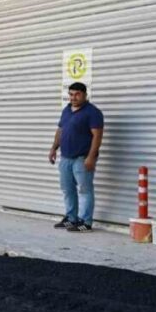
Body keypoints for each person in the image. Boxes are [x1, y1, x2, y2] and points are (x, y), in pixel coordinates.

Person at [48, 82, 104, 232]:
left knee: (85, 190)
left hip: (82, 158)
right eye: (71, 94)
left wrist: (91, 157)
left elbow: (97, 136)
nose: (73, 97)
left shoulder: (93, 112)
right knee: (67, 189)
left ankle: (85, 222)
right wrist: (54, 148)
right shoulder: (67, 110)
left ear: (85, 94)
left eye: (77, 94)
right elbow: (60, 130)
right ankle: (71, 218)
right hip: (65, 157)